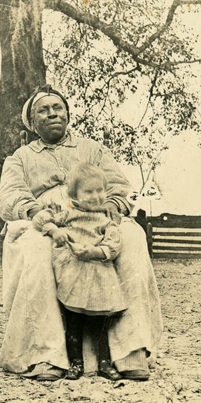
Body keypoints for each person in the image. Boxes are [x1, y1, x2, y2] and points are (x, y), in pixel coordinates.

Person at [0, 85, 162, 382]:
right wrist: (35, 212)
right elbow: (9, 197)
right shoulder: (20, 158)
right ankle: (45, 354)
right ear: (32, 123)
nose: (52, 114)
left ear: (68, 114)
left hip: (95, 215)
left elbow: (118, 185)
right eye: (43, 110)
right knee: (36, 251)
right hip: (47, 221)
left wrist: (112, 203)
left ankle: (130, 350)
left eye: (57, 108)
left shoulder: (92, 149)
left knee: (132, 239)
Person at [32, 162, 127, 381]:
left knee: (101, 321)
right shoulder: (68, 214)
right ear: (74, 195)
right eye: (88, 191)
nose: (96, 196)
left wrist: (95, 251)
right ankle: (75, 363)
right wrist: (54, 230)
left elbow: (113, 246)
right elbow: (40, 220)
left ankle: (104, 362)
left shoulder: (106, 219)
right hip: (74, 275)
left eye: (100, 190)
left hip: (100, 276)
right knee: (74, 320)